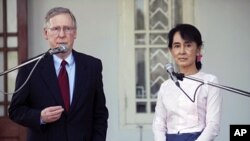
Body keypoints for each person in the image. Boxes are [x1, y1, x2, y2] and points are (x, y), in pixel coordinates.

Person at [8, 7, 109, 141]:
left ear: (75, 33)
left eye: (67, 28)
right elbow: (15, 110)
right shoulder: (30, 68)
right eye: (55, 29)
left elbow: (100, 113)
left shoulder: (92, 66)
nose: (62, 34)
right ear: (45, 33)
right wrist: (40, 117)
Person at [152, 24, 223, 141]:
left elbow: (213, 125)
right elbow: (158, 124)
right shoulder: (165, 86)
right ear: (171, 50)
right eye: (177, 46)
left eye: (188, 45)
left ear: (198, 49)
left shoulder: (210, 81)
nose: (182, 51)